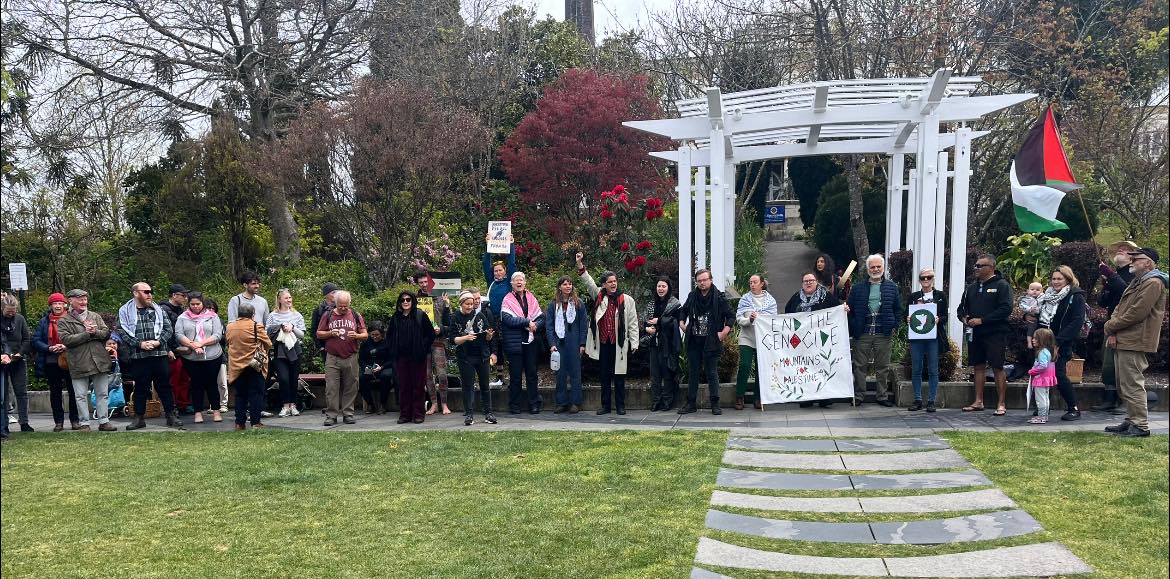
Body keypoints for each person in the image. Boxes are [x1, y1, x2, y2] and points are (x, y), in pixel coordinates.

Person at [1103, 247, 1168, 438]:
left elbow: (1137, 312)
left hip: (1136, 340)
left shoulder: (1153, 283)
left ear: (1148, 262)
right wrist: (1112, 327)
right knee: (1124, 383)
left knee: (1132, 383)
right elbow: (1120, 308)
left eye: (1136, 258)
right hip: (1126, 338)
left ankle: (1140, 425)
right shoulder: (1139, 282)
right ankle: (1132, 420)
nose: (1131, 261)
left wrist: (1110, 326)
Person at [577, 253, 640, 416]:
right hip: (603, 343)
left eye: (615, 281)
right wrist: (580, 265)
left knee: (619, 375)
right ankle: (605, 406)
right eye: (609, 282)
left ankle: (620, 406)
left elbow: (633, 323)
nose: (613, 284)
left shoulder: (627, 300)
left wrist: (634, 343)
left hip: (619, 343)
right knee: (604, 375)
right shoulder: (599, 296)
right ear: (604, 284)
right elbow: (588, 282)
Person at [118, 282, 181, 429]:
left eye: (150, 291)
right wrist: (139, 344)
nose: (150, 294)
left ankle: (171, 416)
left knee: (165, 386)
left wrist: (158, 342)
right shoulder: (125, 311)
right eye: (146, 292)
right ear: (135, 293)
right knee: (140, 388)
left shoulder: (158, 310)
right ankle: (139, 418)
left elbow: (168, 329)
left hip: (159, 354)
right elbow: (122, 331)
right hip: (139, 356)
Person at [957, 254, 1013, 416]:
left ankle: (1001, 403)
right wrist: (964, 318)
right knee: (978, 366)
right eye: (975, 265)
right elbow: (961, 308)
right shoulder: (971, 288)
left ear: (991, 268)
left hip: (995, 333)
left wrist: (983, 320)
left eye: (980, 266)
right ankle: (978, 401)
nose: (976, 268)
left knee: (997, 366)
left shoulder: (1002, 285)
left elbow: (1005, 308)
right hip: (975, 334)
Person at [55, 289, 117, 431]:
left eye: (85, 299)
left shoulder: (95, 316)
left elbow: (106, 333)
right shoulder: (64, 320)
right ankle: (84, 423)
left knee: (102, 393)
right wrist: (86, 334)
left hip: (99, 360)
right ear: (70, 301)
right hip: (78, 361)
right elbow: (66, 340)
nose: (84, 302)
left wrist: (94, 332)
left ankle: (104, 421)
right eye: (80, 299)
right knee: (80, 395)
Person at [846, 254, 902, 407]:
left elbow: (898, 309)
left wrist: (894, 325)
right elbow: (849, 310)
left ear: (883, 268)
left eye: (878, 266)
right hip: (862, 334)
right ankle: (858, 396)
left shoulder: (892, 287)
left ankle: (882, 396)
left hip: (883, 334)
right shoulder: (857, 288)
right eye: (872, 267)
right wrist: (853, 324)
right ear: (868, 269)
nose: (876, 269)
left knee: (882, 367)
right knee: (859, 366)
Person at [678, 269, 734, 415]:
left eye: (704, 280)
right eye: (699, 281)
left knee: (712, 372)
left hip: (712, 341)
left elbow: (730, 316)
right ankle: (691, 403)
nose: (702, 283)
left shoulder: (719, 297)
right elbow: (683, 310)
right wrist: (682, 323)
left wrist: (724, 332)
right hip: (694, 340)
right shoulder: (692, 296)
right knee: (693, 372)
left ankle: (715, 403)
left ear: (711, 280)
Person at [1034, 265, 1086, 421]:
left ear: (1068, 279)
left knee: (1059, 374)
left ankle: (1073, 408)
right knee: (1042, 374)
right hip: (1043, 342)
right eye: (1054, 279)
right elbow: (1038, 314)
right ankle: (1043, 408)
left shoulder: (1075, 296)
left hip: (1061, 343)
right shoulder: (1046, 295)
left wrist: (1058, 341)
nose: (1056, 282)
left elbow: (1077, 321)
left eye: (1059, 279)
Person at [1094, 240, 1140, 413]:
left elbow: (1126, 291)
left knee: (1121, 363)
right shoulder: (1115, 275)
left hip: (1126, 324)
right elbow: (1102, 302)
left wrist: (1111, 276)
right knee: (1108, 362)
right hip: (1111, 322)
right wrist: (1105, 287)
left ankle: (1122, 400)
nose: (1121, 250)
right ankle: (1110, 398)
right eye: (1119, 249)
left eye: (1126, 249)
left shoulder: (1134, 275)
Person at [785, 271, 842, 408]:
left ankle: (824, 398)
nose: (809, 283)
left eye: (811, 280)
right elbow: (787, 315)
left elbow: (837, 310)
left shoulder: (826, 297)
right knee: (804, 369)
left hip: (821, 341)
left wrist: (843, 309)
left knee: (821, 368)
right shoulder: (796, 298)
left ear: (816, 282)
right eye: (806, 281)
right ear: (802, 284)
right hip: (802, 342)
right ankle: (806, 397)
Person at [315, 290, 367, 426]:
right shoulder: (328, 315)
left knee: (351, 386)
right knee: (331, 387)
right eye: (340, 306)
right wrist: (331, 333)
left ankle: (348, 414)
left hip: (351, 356)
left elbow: (365, 334)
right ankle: (331, 415)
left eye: (346, 306)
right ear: (335, 303)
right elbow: (319, 333)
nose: (343, 308)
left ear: (349, 303)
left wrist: (356, 336)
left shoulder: (355, 315)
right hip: (332, 356)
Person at [174, 291, 225, 423]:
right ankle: (198, 412)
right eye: (193, 304)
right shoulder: (182, 318)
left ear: (203, 303)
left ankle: (216, 410)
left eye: (198, 304)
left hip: (212, 355)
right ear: (188, 304)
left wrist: (201, 343)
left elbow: (218, 335)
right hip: (191, 357)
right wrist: (193, 345)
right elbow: (179, 334)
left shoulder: (212, 316)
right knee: (196, 384)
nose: (195, 306)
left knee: (212, 383)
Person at [33, 293, 81, 431]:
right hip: (51, 360)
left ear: (65, 305)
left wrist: (65, 345)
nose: (58, 306)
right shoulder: (44, 321)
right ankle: (58, 422)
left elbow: (79, 337)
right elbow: (36, 340)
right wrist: (49, 348)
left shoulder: (72, 318)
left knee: (74, 391)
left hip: (70, 359)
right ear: (51, 306)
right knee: (55, 393)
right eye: (55, 303)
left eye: (60, 303)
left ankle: (75, 420)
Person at [449, 291, 498, 425]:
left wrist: (488, 335)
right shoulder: (455, 317)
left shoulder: (480, 315)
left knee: (485, 385)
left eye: (472, 304)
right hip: (465, 356)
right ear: (461, 304)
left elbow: (489, 336)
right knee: (468, 386)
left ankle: (488, 413)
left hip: (482, 355)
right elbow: (453, 340)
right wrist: (465, 338)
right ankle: (469, 414)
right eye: (467, 304)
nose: (470, 306)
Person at [387, 291, 435, 424]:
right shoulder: (396, 317)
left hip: (417, 357)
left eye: (408, 299)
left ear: (413, 301)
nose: (405, 302)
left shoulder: (420, 315)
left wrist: (422, 348)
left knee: (418, 386)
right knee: (404, 386)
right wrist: (394, 350)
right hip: (401, 358)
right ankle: (405, 414)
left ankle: (418, 414)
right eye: (402, 300)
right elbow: (389, 336)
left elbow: (430, 334)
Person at [500, 272, 544, 414]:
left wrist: (536, 325)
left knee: (532, 374)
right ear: (511, 284)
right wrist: (527, 322)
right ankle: (514, 405)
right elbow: (508, 320)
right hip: (515, 343)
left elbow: (541, 317)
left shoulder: (531, 298)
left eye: (521, 280)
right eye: (516, 280)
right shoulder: (507, 299)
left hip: (531, 342)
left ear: (525, 282)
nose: (519, 282)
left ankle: (534, 404)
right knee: (515, 376)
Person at [906, 268, 948, 412]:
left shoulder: (941, 295)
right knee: (916, 368)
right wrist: (908, 319)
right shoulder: (913, 296)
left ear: (933, 278)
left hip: (933, 337)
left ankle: (931, 400)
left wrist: (938, 319)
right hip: (917, 337)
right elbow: (907, 314)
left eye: (929, 277)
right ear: (919, 280)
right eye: (922, 278)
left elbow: (945, 318)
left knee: (933, 369)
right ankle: (917, 399)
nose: (925, 280)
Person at [225, 303, 272, 430]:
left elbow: (228, 342)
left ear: (238, 314)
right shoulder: (257, 326)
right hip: (254, 364)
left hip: (236, 366)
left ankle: (239, 423)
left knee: (240, 395)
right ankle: (255, 423)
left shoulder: (230, 327)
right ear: (253, 314)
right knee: (256, 394)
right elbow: (268, 343)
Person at [735, 274, 778, 410]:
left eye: (755, 282)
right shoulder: (744, 299)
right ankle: (739, 397)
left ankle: (759, 397)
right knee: (744, 365)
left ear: (762, 284)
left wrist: (761, 318)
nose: (752, 284)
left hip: (763, 339)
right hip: (747, 338)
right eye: (750, 282)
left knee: (761, 368)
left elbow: (773, 321)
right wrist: (750, 320)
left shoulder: (771, 301)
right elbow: (739, 319)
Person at [545, 276, 587, 414]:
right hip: (558, 343)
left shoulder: (578, 303)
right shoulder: (553, 305)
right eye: (565, 284)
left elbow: (583, 325)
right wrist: (551, 344)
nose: (568, 286)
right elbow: (549, 326)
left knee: (575, 373)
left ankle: (576, 402)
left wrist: (582, 343)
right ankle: (561, 402)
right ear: (559, 287)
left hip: (574, 342)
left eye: (570, 284)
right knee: (560, 373)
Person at [414, 271, 451, 415]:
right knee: (427, 375)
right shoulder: (415, 300)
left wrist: (447, 306)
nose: (424, 285)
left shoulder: (441, 297)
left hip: (438, 341)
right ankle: (434, 404)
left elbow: (449, 323)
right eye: (421, 282)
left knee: (442, 374)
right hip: (423, 342)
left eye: (426, 282)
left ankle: (445, 404)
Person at [643, 276, 682, 412]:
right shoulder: (651, 304)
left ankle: (667, 401)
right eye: (659, 286)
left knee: (667, 372)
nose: (660, 289)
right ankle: (656, 401)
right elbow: (645, 321)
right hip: (654, 342)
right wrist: (646, 328)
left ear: (668, 288)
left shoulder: (675, 304)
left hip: (668, 344)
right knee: (655, 374)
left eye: (663, 286)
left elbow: (675, 322)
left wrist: (659, 321)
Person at [267, 288, 306, 418]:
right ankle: (285, 405)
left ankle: (293, 405)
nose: (289, 300)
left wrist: (293, 328)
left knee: (293, 378)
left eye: (290, 298)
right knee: (283, 378)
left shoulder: (297, 315)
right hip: (279, 351)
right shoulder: (272, 315)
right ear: (279, 300)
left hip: (295, 350)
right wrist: (280, 328)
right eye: (286, 298)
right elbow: (267, 333)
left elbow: (302, 335)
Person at [484, 237, 516, 387]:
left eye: (500, 270)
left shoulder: (509, 282)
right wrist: (488, 245)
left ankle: (512, 377)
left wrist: (511, 245)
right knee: (496, 347)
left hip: (506, 319)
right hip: (493, 318)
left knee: (507, 346)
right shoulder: (491, 282)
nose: (497, 273)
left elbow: (512, 263)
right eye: (495, 271)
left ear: (505, 272)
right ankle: (500, 377)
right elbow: (486, 265)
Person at [0, 294, 33, 433]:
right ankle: (4, 423)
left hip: (17, 360)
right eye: (8, 311)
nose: (11, 313)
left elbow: (26, 339)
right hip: (2, 360)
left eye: (13, 311)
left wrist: (20, 353)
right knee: (4, 394)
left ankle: (24, 422)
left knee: (21, 392)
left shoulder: (20, 319)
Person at [159, 284, 192, 414]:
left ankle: (183, 404)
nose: (185, 298)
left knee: (184, 378)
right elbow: (161, 331)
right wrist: (167, 349)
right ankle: (172, 406)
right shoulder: (162, 310)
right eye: (183, 295)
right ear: (174, 295)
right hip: (171, 351)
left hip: (182, 349)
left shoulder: (181, 310)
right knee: (173, 379)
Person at [358, 321, 393, 415]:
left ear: (382, 333)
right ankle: (370, 404)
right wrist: (365, 367)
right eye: (372, 335)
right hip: (370, 368)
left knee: (385, 376)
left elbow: (392, 359)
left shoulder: (388, 342)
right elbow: (361, 359)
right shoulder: (366, 343)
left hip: (384, 367)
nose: (374, 337)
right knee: (360, 378)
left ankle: (382, 404)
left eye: (377, 335)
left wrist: (381, 367)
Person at [1026, 328, 1058, 424]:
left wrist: (1032, 371)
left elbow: (1043, 366)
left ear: (1042, 340)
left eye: (1035, 338)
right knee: (1045, 398)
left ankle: (1041, 416)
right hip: (1046, 379)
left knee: (1040, 399)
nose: (1033, 340)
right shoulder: (1048, 351)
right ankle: (1044, 416)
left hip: (1041, 379)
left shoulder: (1042, 352)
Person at [204, 296, 230, 415]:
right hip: (205, 356)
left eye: (212, 308)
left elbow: (224, 339)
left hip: (219, 355)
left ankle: (223, 404)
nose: (210, 311)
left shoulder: (219, 321)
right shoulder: (200, 322)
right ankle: (213, 404)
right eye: (208, 308)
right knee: (210, 381)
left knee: (222, 381)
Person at [310, 283, 339, 363]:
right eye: (333, 292)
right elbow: (313, 330)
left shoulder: (342, 307)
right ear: (326, 295)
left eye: (337, 292)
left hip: (340, 345)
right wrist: (320, 347)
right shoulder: (318, 310)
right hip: (326, 347)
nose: (336, 294)